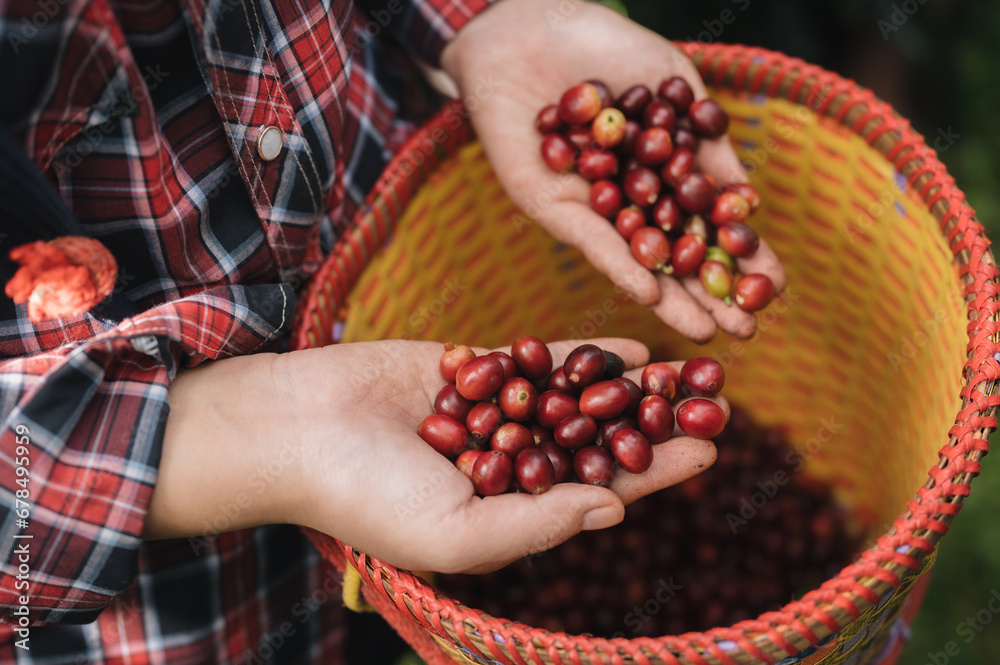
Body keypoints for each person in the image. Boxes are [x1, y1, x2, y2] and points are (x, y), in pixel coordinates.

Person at [0, 0, 785, 661]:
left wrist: (484, 19)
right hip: (170, 605)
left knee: (420, 607)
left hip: (378, 283)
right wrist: (254, 439)